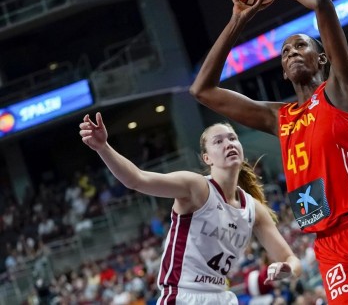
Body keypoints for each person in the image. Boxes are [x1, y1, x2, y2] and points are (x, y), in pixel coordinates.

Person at [189, 0, 348, 303]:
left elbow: (322, 2)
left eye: (300, 46)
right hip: (330, 245)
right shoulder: (278, 117)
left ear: (322, 58)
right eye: (285, 52)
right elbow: (202, 89)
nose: (292, 53)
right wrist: (239, 17)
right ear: (283, 71)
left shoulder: (341, 91)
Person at [79, 112, 301, 304]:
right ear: (207, 158)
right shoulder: (197, 187)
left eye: (232, 138)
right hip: (184, 296)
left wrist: (287, 269)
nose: (229, 144)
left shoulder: (253, 209)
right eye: (219, 141)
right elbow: (137, 179)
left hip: (221, 297)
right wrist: (103, 147)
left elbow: (290, 258)